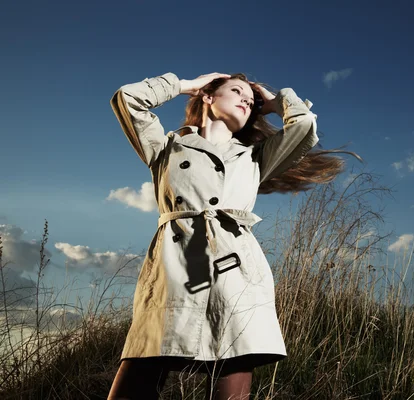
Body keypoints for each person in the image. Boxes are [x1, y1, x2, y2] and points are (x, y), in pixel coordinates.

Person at [107, 71, 357, 399]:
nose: (246, 100)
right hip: (175, 265)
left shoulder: (255, 156)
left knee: (234, 366)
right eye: (237, 91)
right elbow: (128, 99)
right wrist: (186, 85)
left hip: (235, 269)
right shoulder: (167, 145)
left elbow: (304, 125)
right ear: (208, 97)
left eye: (251, 101)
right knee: (143, 364)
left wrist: (273, 101)